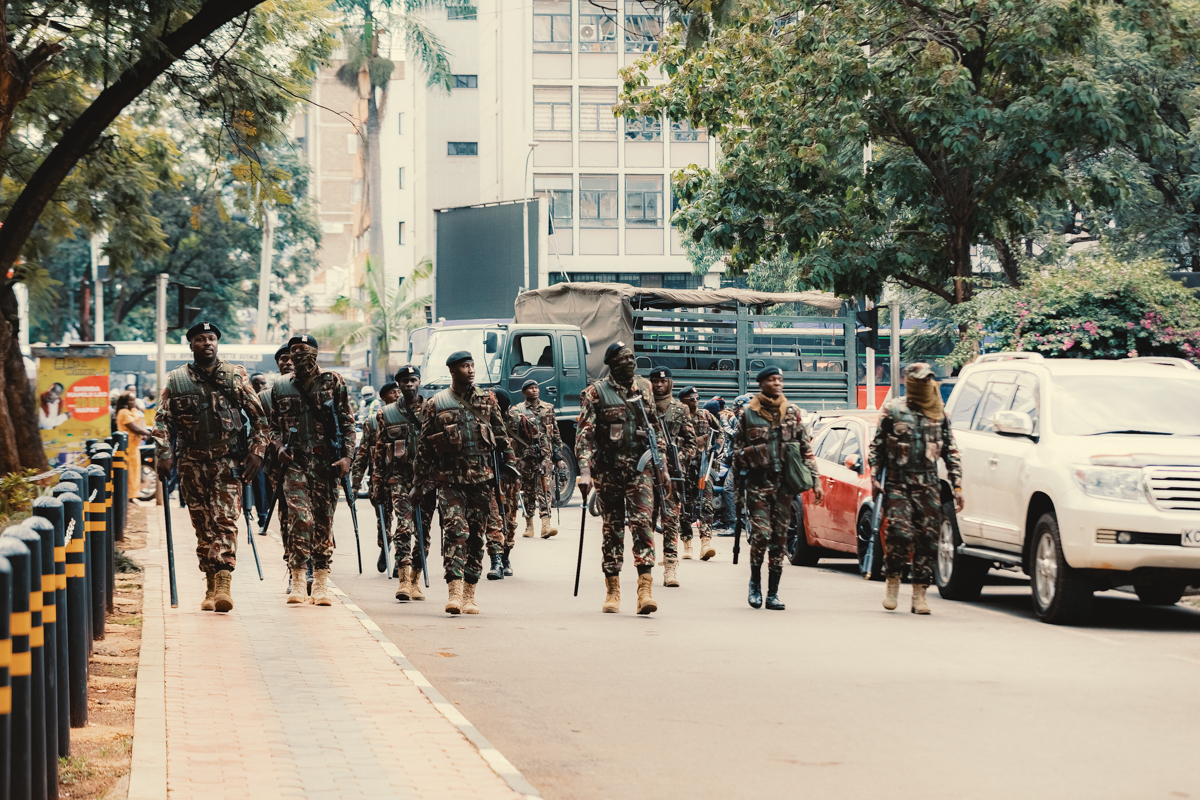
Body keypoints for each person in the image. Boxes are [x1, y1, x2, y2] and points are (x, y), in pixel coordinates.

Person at [153, 321, 269, 613]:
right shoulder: (176, 380)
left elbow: (259, 417)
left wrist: (257, 452)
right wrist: (164, 454)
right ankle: (210, 583)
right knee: (203, 525)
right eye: (201, 339)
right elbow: (162, 420)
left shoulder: (235, 375)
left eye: (212, 338)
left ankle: (224, 581)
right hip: (191, 462)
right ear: (191, 345)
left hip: (226, 460)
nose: (207, 343)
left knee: (225, 520)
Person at [412, 351, 515, 615]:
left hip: (482, 480)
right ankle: (455, 592)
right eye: (464, 366)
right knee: (455, 533)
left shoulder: (487, 399)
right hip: (450, 481)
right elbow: (424, 447)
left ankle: (470, 593)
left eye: (472, 365)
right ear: (452, 371)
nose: (470, 370)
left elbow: (501, 435)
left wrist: (510, 465)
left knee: (477, 538)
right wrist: (418, 483)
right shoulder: (436, 403)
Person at [576, 342, 671, 615]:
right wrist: (585, 472)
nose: (630, 362)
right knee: (613, 529)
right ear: (611, 363)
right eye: (623, 358)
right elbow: (584, 435)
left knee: (643, 525)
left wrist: (662, 466)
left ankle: (645, 591)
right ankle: (613, 590)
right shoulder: (595, 393)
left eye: (631, 357)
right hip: (608, 471)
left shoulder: (645, 388)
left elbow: (655, 428)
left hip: (640, 470)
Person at [266, 334, 355, 607]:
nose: (298, 355)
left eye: (303, 350)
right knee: (299, 517)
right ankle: (297, 578)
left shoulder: (333, 381)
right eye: (293, 350)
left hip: (326, 463)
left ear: (315, 353)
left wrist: (347, 457)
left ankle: (320, 582)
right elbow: (272, 426)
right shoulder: (280, 386)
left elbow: (347, 422)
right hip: (295, 462)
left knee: (323, 521)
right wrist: (279, 446)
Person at [869, 362, 964, 615]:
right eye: (921, 380)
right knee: (899, 533)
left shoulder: (939, 413)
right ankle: (893, 582)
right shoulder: (893, 410)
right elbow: (877, 446)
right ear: (910, 382)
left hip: (928, 484)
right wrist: (875, 476)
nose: (926, 384)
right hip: (898, 482)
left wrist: (957, 485)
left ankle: (920, 594)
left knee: (928, 538)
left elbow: (950, 450)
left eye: (928, 380)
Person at [732, 367, 822, 611]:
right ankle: (755, 584)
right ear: (761, 384)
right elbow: (736, 454)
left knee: (779, 539)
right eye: (772, 380)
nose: (777, 383)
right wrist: (738, 495)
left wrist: (816, 480)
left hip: (784, 486)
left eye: (780, 379)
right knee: (761, 534)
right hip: (758, 484)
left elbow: (805, 448)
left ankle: (773, 593)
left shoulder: (792, 413)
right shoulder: (749, 414)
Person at [383, 365, 433, 599]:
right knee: (404, 527)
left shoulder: (432, 409)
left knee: (424, 531)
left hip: (427, 480)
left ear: (419, 382)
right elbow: (379, 449)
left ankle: (415, 579)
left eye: (413, 380)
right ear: (399, 385)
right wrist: (377, 483)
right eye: (404, 381)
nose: (409, 384)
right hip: (400, 477)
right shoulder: (388, 413)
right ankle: (403, 580)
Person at [647, 367, 694, 588]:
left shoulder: (680, 409)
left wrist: (678, 460)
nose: (659, 385)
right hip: (647, 472)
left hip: (672, 474)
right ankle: (645, 565)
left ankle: (670, 566)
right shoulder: (644, 407)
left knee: (670, 520)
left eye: (663, 381)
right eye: (655, 381)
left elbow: (691, 442)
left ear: (670, 383)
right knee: (645, 520)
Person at [352, 381, 400, 574]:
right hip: (380, 480)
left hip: (402, 479)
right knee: (383, 520)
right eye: (392, 392)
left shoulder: (409, 417)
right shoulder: (372, 422)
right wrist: (355, 484)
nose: (397, 395)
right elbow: (362, 455)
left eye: (398, 391)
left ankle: (401, 559)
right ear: (383, 398)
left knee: (405, 521)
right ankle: (384, 546)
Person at [514, 379, 564, 541]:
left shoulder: (548, 408)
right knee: (528, 490)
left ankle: (545, 525)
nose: (534, 390)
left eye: (536, 388)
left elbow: (555, 432)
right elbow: (512, 435)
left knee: (545, 488)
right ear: (524, 392)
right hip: (526, 456)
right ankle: (529, 525)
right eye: (530, 388)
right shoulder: (517, 410)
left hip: (545, 456)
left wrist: (558, 455)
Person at [680, 387, 724, 560]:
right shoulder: (678, 416)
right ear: (683, 400)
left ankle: (706, 543)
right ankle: (687, 544)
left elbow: (720, 431)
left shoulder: (705, 415)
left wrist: (717, 445)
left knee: (706, 503)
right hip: (684, 466)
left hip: (704, 465)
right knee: (684, 504)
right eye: (692, 398)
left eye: (697, 398)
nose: (695, 401)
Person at [494, 391, 523, 577]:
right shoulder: (484, 419)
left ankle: (506, 556)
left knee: (510, 519)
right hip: (490, 476)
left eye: (505, 410)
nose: (503, 413)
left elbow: (533, 441)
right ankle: (495, 559)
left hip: (511, 477)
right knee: (494, 519)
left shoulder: (518, 419)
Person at [115, 392, 152, 502]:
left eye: (134, 400)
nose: (133, 402)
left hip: (134, 446)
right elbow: (134, 428)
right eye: (131, 400)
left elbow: (138, 422)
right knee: (130, 472)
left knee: (135, 471)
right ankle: (130, 495)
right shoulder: (123, 412)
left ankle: (133, 494)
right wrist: (147, 433)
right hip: (128, 446)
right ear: (125, 402)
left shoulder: (131, 411)